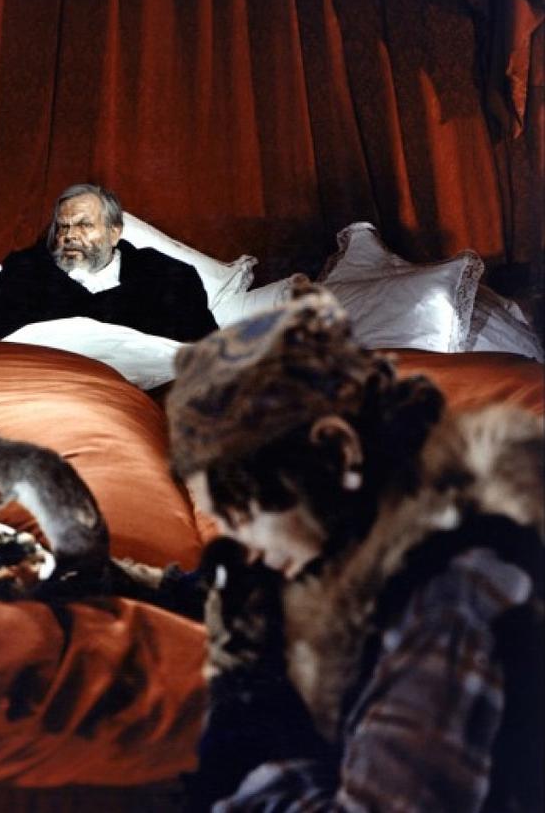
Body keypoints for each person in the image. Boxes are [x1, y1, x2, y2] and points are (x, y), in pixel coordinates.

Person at [165, 282, 543, 812]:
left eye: (243, 517)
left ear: (338, 451)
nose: (246, 549)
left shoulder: (452, 598)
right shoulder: (370, 534)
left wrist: (246, 716)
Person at [0, 184, 217, 343]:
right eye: (63, 227)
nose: (70, 236)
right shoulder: (26, 272)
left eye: (84, 225)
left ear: (114, 233)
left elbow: (208, 355)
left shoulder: (168, 277)